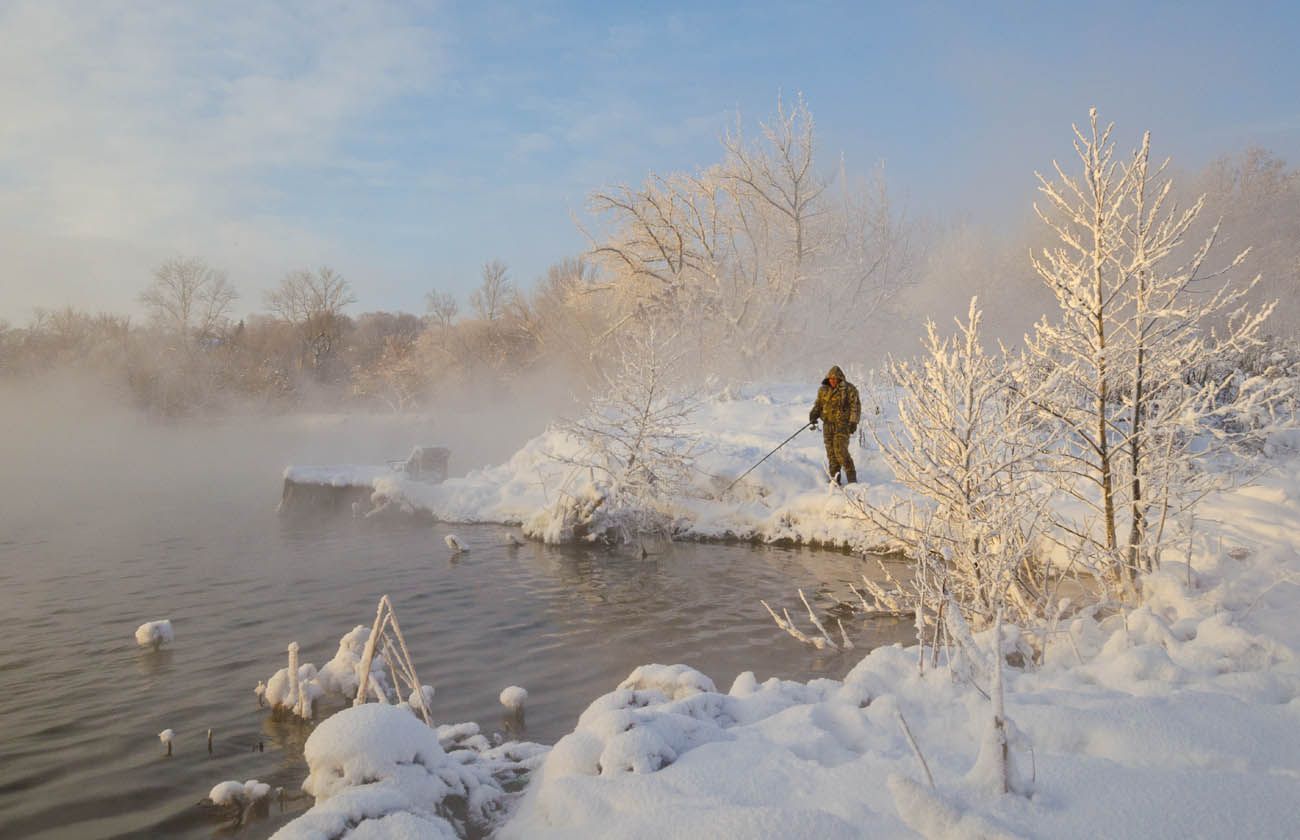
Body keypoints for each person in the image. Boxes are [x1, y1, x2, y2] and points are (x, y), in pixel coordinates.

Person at [808, 365, 861, 485]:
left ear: (840, 378)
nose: (832, 380)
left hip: (843, 425)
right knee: (831, 454)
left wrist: (853, 422)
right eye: (831, 378)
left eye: (835, 378)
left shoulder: (849, 389)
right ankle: (835, 481)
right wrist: (813, 415)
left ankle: (852, 480)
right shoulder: (823, 390)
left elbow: (856, 406)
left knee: (840, 451)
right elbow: (818, 405)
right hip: (827, 425)